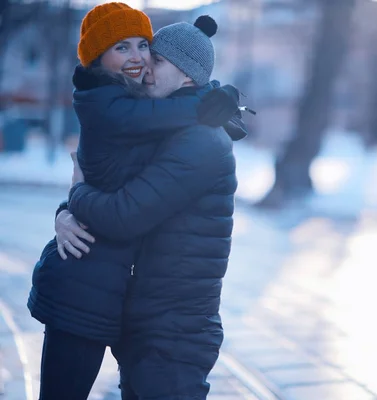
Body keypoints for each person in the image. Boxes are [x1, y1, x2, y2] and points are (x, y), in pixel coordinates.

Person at [27, 3, 245, 399]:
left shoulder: (198, 140)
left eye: (152, 55)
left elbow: (123, 213)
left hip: (174, 328)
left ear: (185, 74)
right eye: (127, 50)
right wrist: (66, 212)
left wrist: (76, 194)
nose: (143, 65)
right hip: (139, 317)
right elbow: (115, 183)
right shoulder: (150, 120)